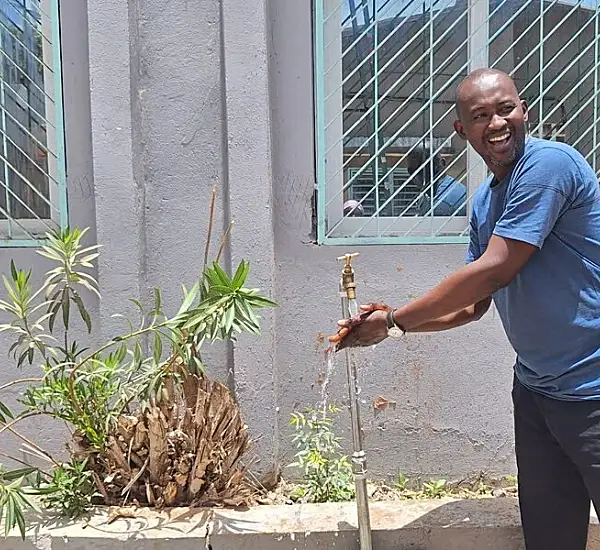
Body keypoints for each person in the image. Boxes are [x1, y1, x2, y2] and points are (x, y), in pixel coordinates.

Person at [328, 68, 600, 550]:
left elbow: (496, 268)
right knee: (551, 538)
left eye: (505, 109)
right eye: (480, 116)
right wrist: (393, 328)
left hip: (592, 390)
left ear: (524, 111)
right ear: (462, 130)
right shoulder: (485, 202)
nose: (496, 123)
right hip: (538, 394)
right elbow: (475, 306)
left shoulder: (550, 165)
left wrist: (395, 318)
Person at [406, 147, 467, 216]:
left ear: (442, 164)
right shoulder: (451, 185)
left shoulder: (441, 204)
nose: (413, 177)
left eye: (419, 170)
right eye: (411, 171)